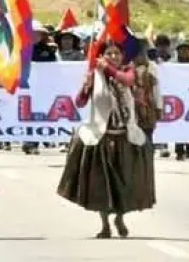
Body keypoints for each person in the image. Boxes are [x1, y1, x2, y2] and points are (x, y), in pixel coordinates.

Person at [57, 41, 155, 239]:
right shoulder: (95, 75)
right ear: (102, 56)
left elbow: (125, 80)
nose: (113, 57)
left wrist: (106, 68)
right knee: (101, 184)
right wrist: (86, 87)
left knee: (125, 182)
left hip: (125, 137)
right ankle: (104, 224)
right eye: (109, 53)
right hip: (101, 136)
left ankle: (120, 217)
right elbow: (80, 102)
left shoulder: (129, 72)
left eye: (116, 53)